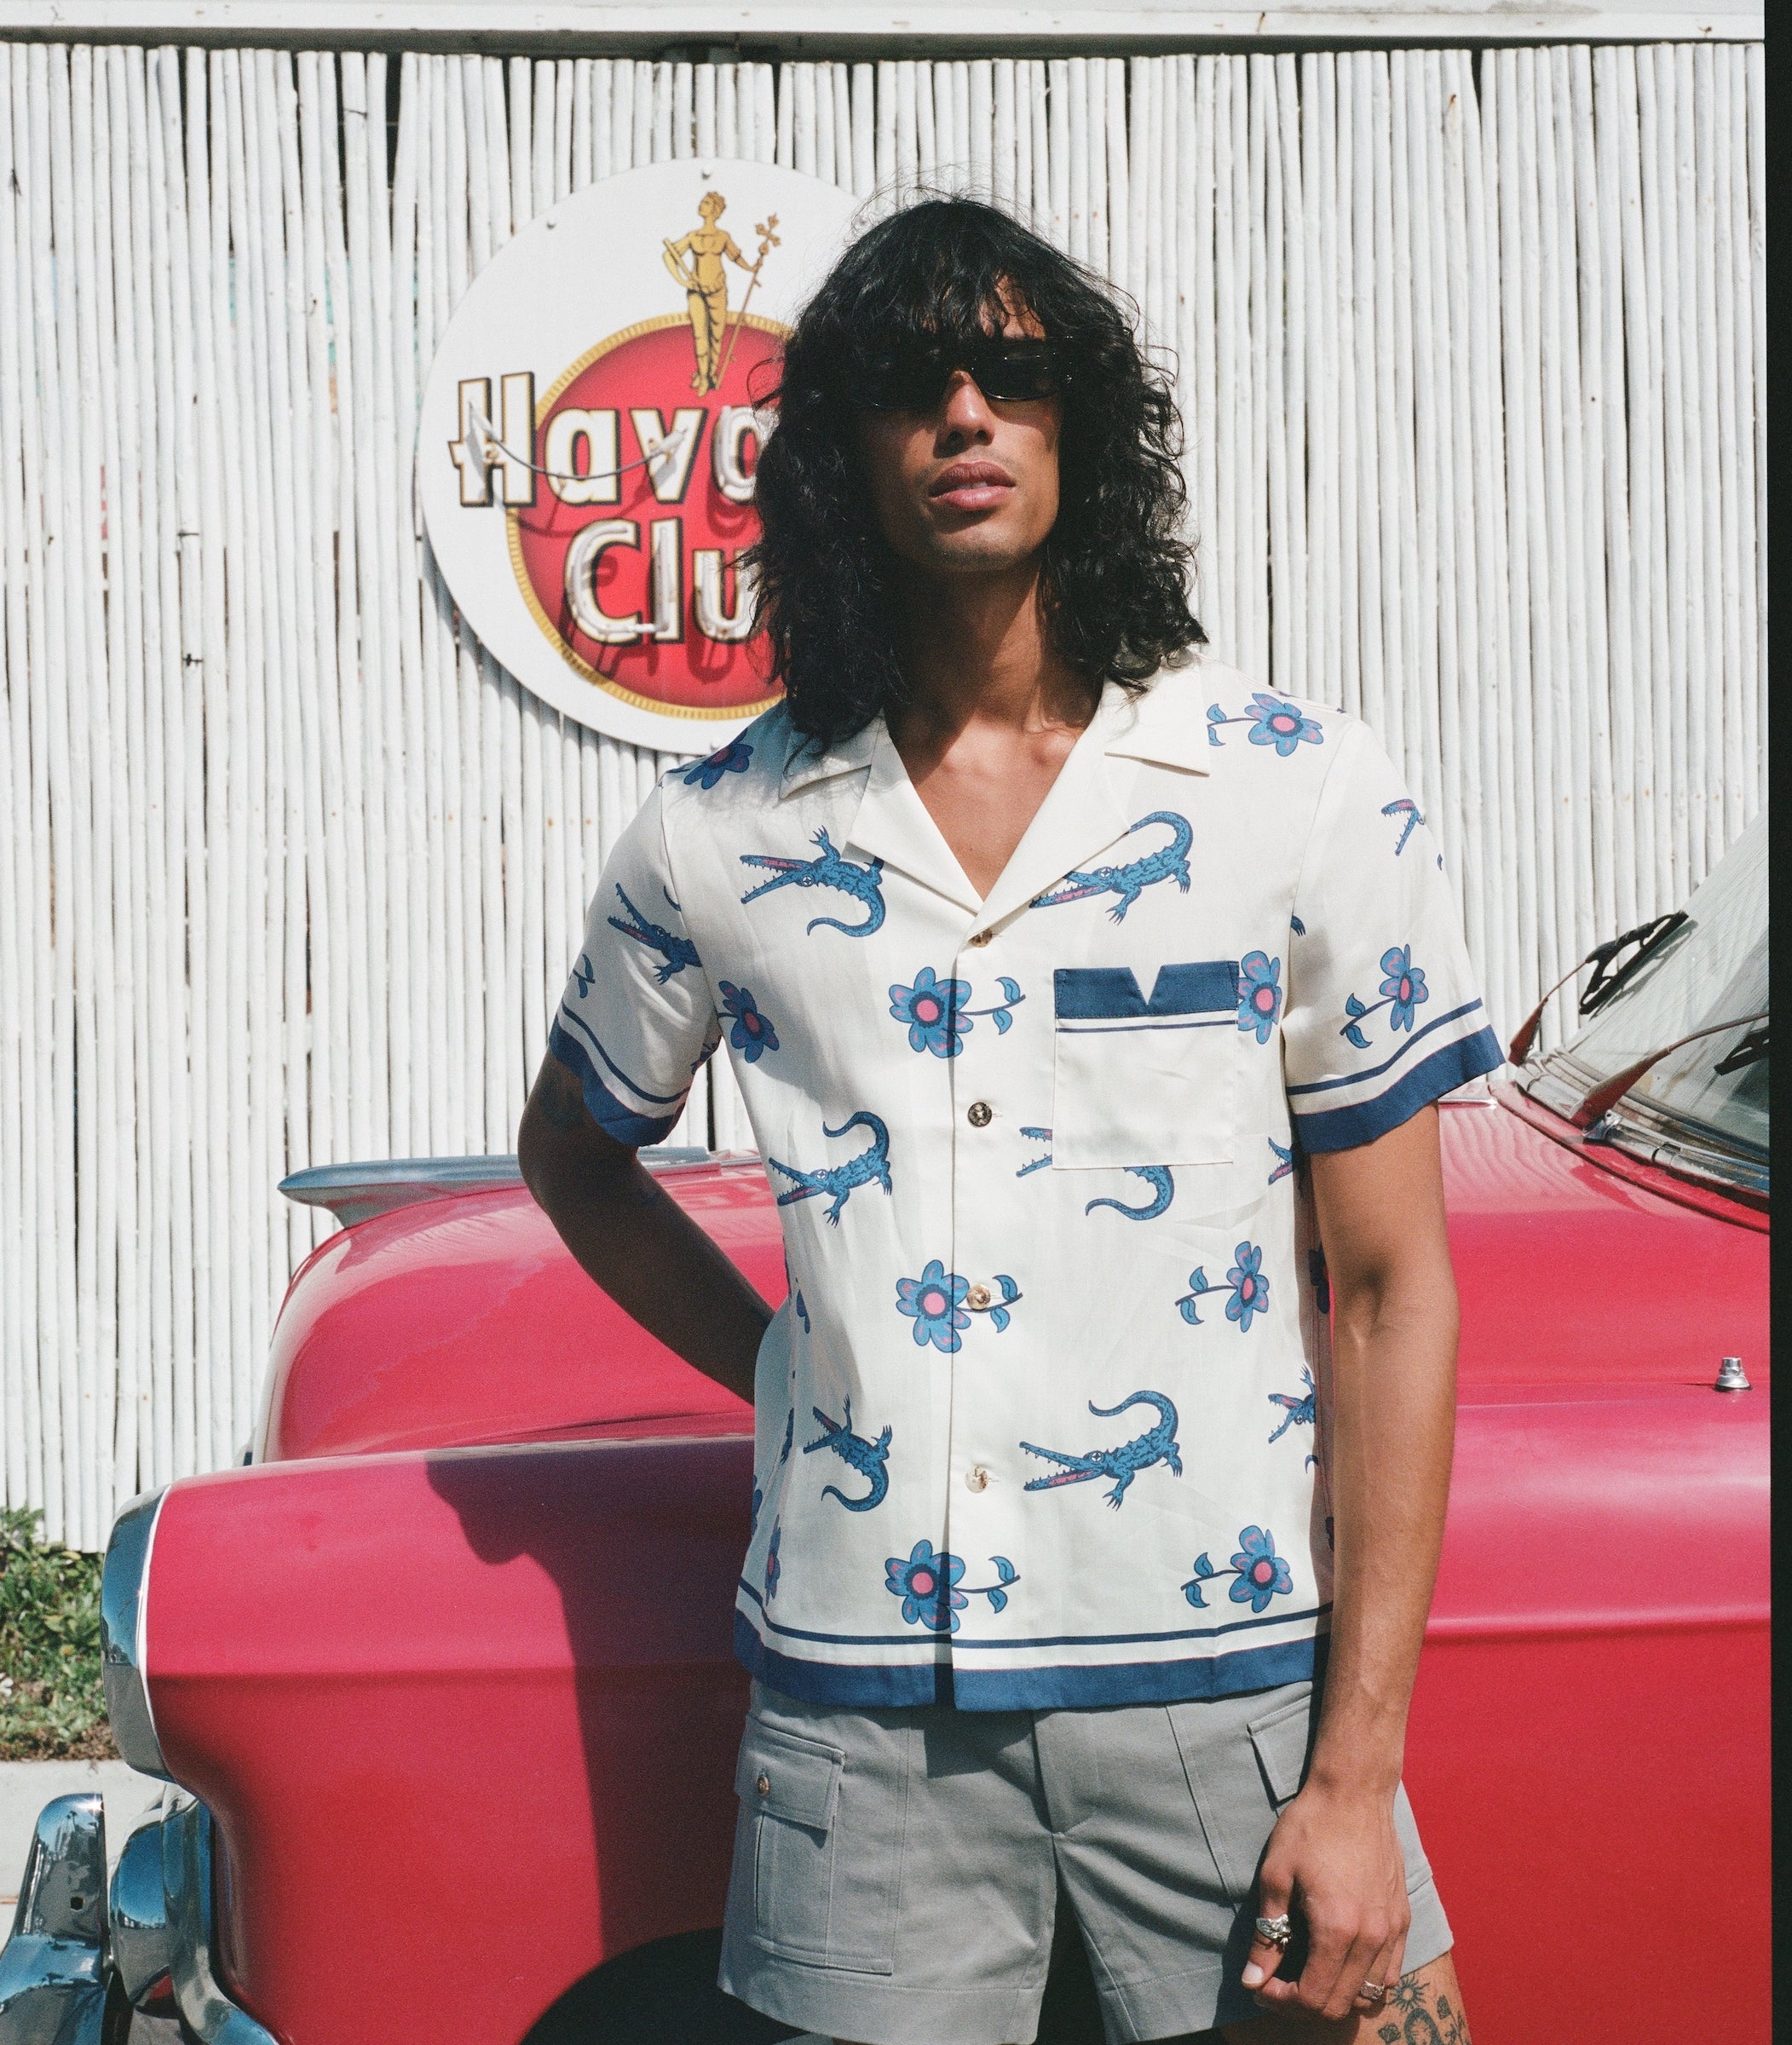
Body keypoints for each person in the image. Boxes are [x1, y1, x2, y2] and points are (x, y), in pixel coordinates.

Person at [519, 197, 1496, 2045]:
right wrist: (795, 1369)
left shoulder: (1292, 799)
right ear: (841, 453)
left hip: (1229, 1704)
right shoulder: (721, 837)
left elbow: (1389, 1292)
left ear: (1082, 425)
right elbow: (574, 1151)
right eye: (909, 380)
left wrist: (1357, 1777)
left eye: (1015, 376)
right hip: (863, 1731)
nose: (965, 413)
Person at [663, 189, 759, 390]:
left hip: (717, 289)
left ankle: (710, 373)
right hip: (696, 290)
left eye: (706, 202)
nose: (701, 204)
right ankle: (704, 378)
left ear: (715, 210)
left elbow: (735, 257)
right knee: (699, 335)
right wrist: (682, 280)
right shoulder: (693, 237)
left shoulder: (723, 237)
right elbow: (668, 255)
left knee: (716, 334)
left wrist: (751, 268)